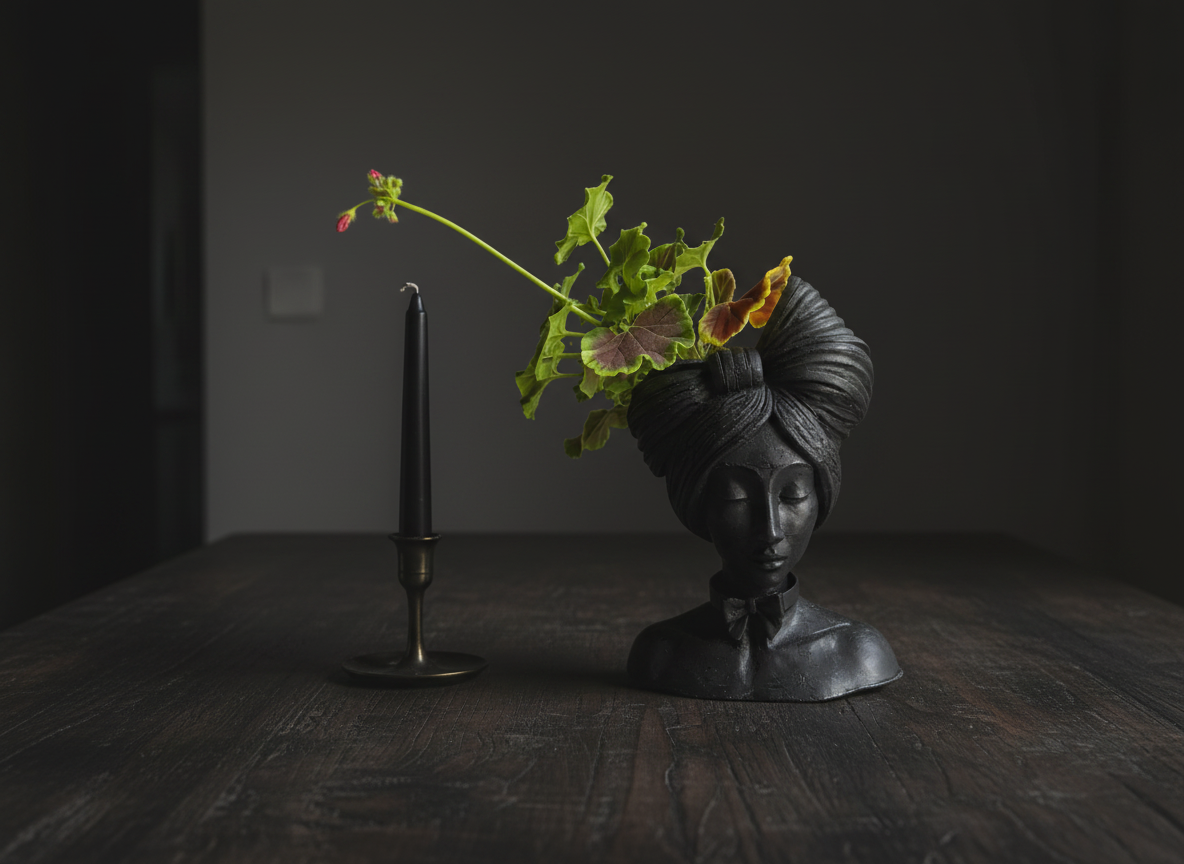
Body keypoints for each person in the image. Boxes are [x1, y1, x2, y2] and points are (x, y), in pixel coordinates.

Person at [625, 276, 901, 700]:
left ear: (820, 496)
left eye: (792, 496)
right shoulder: (661, 654)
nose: (770, 531)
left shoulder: (856, 654)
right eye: (736, 498)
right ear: (699, 505)